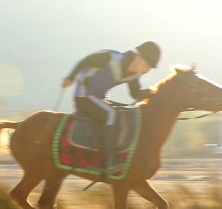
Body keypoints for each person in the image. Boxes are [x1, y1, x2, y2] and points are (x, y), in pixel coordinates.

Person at [61, 41, 161, 171]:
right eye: (147, 64)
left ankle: (116, 155)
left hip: (99, 98)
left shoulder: (134, 75)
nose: (146, 70)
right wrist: (70, 78)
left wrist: (155, 93)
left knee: (124, 112)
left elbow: (135, 93)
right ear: (139, 57)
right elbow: (85, 61)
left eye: (150, 68)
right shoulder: (109, 58)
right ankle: (106, 162)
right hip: (83, 96)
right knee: (111, 114)